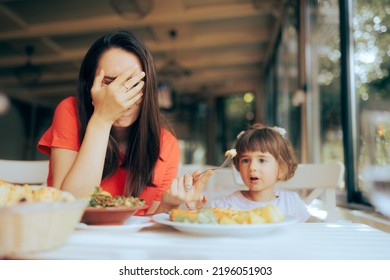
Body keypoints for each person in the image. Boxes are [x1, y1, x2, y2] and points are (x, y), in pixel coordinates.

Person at [37, 30, 185, 215]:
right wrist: (102, 119)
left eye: (134, 84)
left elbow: (148, 227)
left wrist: (168, 206)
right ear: (89, 85)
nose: (120, 97)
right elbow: (68, 207)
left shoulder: (167, 144)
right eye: (109, 82)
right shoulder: (70, 111)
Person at [172, 123, 311, 222]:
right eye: (245, 160)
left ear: (281, 169)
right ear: (238, 166)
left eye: (262, 160)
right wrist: (195, 212)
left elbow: (310, 234)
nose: (252, 167)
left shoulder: (292, 202)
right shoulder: (224, 206)